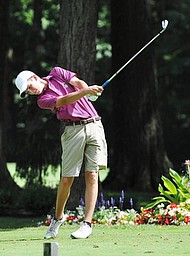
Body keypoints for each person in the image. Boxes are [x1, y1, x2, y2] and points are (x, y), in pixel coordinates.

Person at [14, 67, 108, 239]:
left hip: (94, 125)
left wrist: (88, 91)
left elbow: (77, 83)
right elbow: (63, 100)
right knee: (67, 179)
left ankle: (87, 224)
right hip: (73, 132)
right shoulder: (43, 100)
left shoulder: (57, 72)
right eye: (27, 91)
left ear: (35, 77)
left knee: (92, 175)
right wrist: (86, 91)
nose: (31, 91)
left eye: (29, 87)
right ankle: (58, 218)